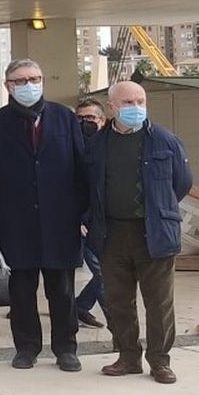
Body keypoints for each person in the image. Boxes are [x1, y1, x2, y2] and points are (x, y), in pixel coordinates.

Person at [0, 60, 87, 373]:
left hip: (60, 219)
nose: (28, 85)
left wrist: (86, 213)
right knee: (21, 291)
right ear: (8, 86)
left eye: (34, 79)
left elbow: (81, 169)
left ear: (43, 81)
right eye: (20, 81)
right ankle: (26, 347)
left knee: (62, 290)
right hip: (14, 221)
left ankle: (66, 348)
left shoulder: (65, 118)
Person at [84, 81, 191, 384]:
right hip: (112, 232)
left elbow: (181, 183)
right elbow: (86, 186)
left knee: (158, 301)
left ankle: (160, 361)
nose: (135, 107)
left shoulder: (164, 140)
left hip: (154, 231)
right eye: (128, 102)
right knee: (118, 299)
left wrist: (159, 210)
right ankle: (128, 356)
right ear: (112, 107)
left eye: (140, 101)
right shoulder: (97, 143)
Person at [74, 99, 111, 329]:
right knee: (105, 274)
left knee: (106, 274)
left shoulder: (110, 145)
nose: (84, 123)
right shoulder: (71, 148)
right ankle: (119, 330)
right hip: (84, 223)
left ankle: (80, 306)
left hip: (109, 221)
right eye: (80, 119)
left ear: (102, 120)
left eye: (90, 118)